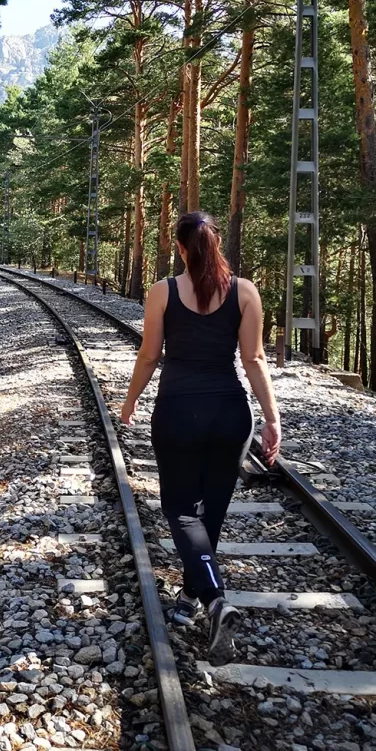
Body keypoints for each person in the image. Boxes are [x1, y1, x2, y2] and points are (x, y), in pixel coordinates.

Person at [120, 210, 282, 666]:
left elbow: (150, 354)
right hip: (231, 415)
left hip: (177, 413)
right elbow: (254, 360)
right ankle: (192, 598)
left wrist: (130, 403)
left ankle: (213, 599)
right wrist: (272, 419)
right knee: (210, 511)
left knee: (181, 510)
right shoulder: (246, 292)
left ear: (180, 248)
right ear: (216, 246)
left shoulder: (163, 291)